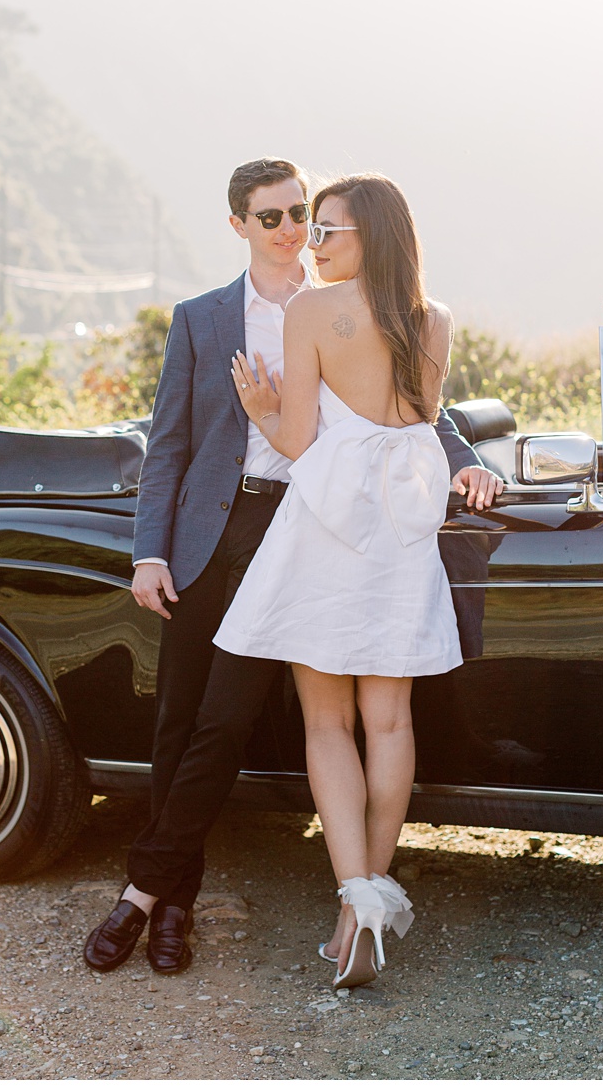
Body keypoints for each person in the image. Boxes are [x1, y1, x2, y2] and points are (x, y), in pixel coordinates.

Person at [82, 158, 501, 977]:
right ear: (239, 224)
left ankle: (152, 894)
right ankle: (184, 901)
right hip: (243, 526)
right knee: (196, 723)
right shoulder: (207, 317)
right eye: (275, 218)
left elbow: (382, 427)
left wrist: (269, 414)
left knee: (245, 725)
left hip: (306, 521)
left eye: (306, 217)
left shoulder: (316, 308)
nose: (295, 233)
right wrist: (150, 548)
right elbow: (167, 443)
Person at [213, 173, 463, 990]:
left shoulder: (310, 311)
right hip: (400, 528)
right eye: (311, 230)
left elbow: (297, 438)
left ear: (370, 237)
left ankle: (354, 905)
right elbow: (419, 421)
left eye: (329, 231)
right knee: (389, 720)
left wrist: (259, 408)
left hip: (328, 523)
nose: (312, 244)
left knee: (328, 723)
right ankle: (362, 912)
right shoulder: (435, 321)